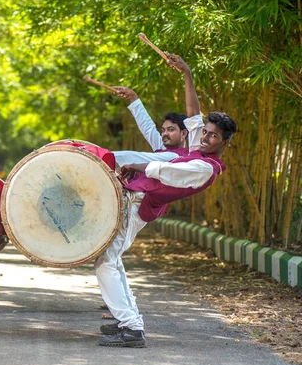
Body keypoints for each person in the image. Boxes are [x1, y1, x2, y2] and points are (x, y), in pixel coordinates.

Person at [95, 54, 237, 347]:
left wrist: (136, 166)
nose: (205, 138)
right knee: (113, 257)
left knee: (105, 260)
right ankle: (128, 320)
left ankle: (132, 328)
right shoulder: (197, 148)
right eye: (206, 133)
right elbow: (193, 113)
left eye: (213, 137)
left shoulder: (204, 168)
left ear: (225, 143)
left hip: (139, 206)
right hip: (134, 200)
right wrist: (187, 72)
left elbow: (168, 171)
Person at [112, 89, 189, 167]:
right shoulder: (163, 149)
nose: (165, 133)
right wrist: (133, 98)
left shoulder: (176, 158)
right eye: (163, 130)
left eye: (171, 130)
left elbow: (129, 157)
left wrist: (104, 154)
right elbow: (148, 128)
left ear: (183, 133)